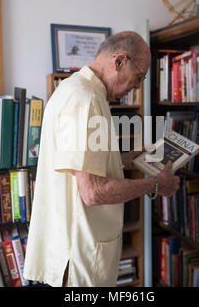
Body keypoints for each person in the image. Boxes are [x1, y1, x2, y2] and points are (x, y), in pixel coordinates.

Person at [23, 31, 180, 287]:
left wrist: (126, 159)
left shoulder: (75, 88)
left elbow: (79, 164)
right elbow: (93, 192)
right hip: (79, 257)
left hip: (72, 248)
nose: (138, 86)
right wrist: (155, 185)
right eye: (139, 77)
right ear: (119, 61)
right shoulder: (85, 99)